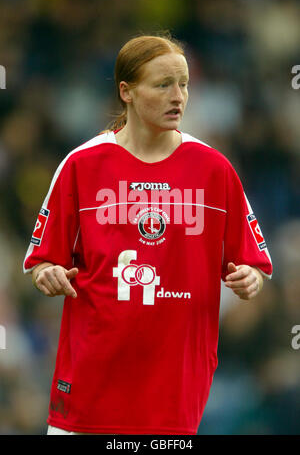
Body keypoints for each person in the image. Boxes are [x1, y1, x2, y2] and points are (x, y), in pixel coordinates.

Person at [23, 33, 273, 435]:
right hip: (89, 394)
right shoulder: (81, 166)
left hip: (174, 398)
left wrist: (250, 278)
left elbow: (253, 264)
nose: (179, 96)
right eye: (163, 85)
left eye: (185, 84)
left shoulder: (214, 170)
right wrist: (47, 274)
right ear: (127, 92)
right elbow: (42, 262)